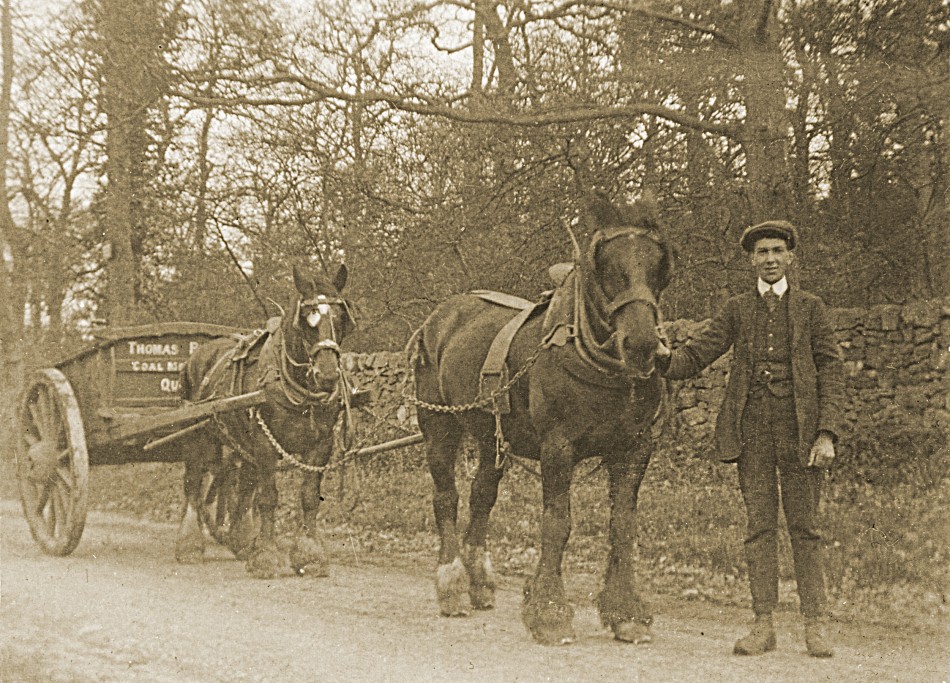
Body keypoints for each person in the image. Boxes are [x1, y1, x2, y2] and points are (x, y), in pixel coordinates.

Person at [656, 220, 844, 658]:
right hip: (752, 434)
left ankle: (815, 625)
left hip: (802, 435)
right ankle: (763, 625)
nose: (771, 259)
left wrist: (827, 433)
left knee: (806, 529)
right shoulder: (737, 309)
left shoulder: (812, 308)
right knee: (758, 528)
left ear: (791, 257)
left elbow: (831, 371)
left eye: (778, 250)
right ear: (751, 260)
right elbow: (698, 354)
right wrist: (663, 358)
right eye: (762, 253)